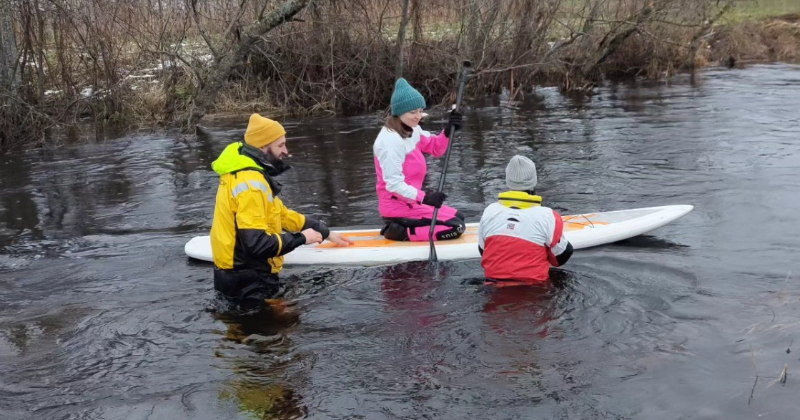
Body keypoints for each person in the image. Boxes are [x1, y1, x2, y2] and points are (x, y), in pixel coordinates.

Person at [210, 113, 353, 307]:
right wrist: (302, 238)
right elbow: (256, 244)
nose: (286, 151)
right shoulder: (251, 184)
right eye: (280, 145)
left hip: (239, 277)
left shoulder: (245, 173)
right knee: (286, 322)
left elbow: (281, 214)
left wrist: (323, 231)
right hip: (248, 282)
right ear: (263, 147)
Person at [373, 78, 466, 242]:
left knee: (460, 217)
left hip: (412, 203)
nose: (418, 116)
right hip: (397, 207)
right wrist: (425, 197)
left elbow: (435, 147)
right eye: (412, 112)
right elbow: (393, 184)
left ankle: (405, 226)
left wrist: (448, 129)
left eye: (420, 111)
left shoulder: (412, 129)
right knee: (456, 227)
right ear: (399, 112)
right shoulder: (390, 142)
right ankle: (399, 232)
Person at [477, 155, 573, 284]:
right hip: (535, 289)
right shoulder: (548, 216)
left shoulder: (490, 211)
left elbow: (483, 251)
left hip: (493, 287)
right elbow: (560, 258)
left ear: (508, 181)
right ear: (534, 181)